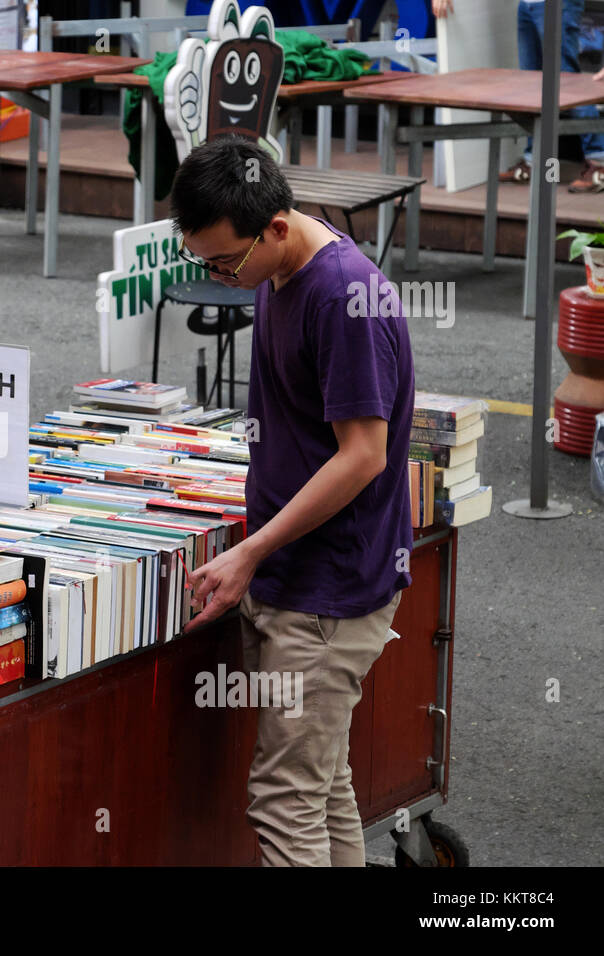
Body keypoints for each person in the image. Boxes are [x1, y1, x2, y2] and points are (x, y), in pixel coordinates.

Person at [170, 136, 415, 866]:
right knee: (321, 784)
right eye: (204, 261)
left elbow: (365, 455)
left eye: (225, 261)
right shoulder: (282, 267)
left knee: (284, 802)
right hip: (304, 578)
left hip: (326, 593)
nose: (218, 276)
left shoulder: (341, 296)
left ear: (277, 226)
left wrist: (251, 550)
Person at [435, 0, 604, 192]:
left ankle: (599, 163)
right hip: (527, 4)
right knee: (532, 86)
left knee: (567, 83)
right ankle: (536, 162)